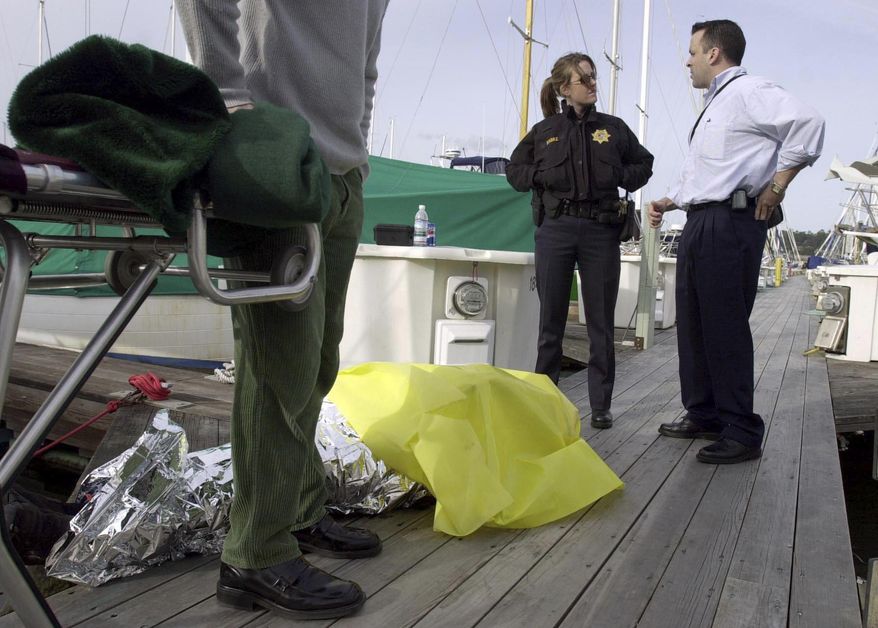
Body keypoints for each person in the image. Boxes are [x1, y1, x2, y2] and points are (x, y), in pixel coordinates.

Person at [178, 1, 389, 620]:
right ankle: (256, 555)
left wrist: (356, 146)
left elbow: (366, 63)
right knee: (279, 368)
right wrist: (231, 101)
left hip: (344, 175)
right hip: (274, 162)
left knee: (318, 362)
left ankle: (297, 510)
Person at [648, 19, 825, 464]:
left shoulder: (748, 92)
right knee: (694, 325)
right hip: (701, 220)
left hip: (730, 223)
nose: (686, 61)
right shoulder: (717, 103)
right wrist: (673, 200)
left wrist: (779, 185)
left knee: (723, 326)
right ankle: (704, 412)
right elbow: (711, 171)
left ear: (713, 53)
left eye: (692, 52)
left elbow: (809, 123)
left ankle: (742, 430)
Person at [506, 53, 653, 429]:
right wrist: (539, 177)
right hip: (555, 229)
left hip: (601, 231)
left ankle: (600, 406)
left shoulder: (614, 129)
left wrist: (619, 174)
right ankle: (545, 400)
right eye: (584, 79)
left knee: (601, 321)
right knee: (550, 320)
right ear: (564, 89)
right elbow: (514, 169)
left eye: (593, 78)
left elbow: (645, 163)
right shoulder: (545, 132)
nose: (592, 85)